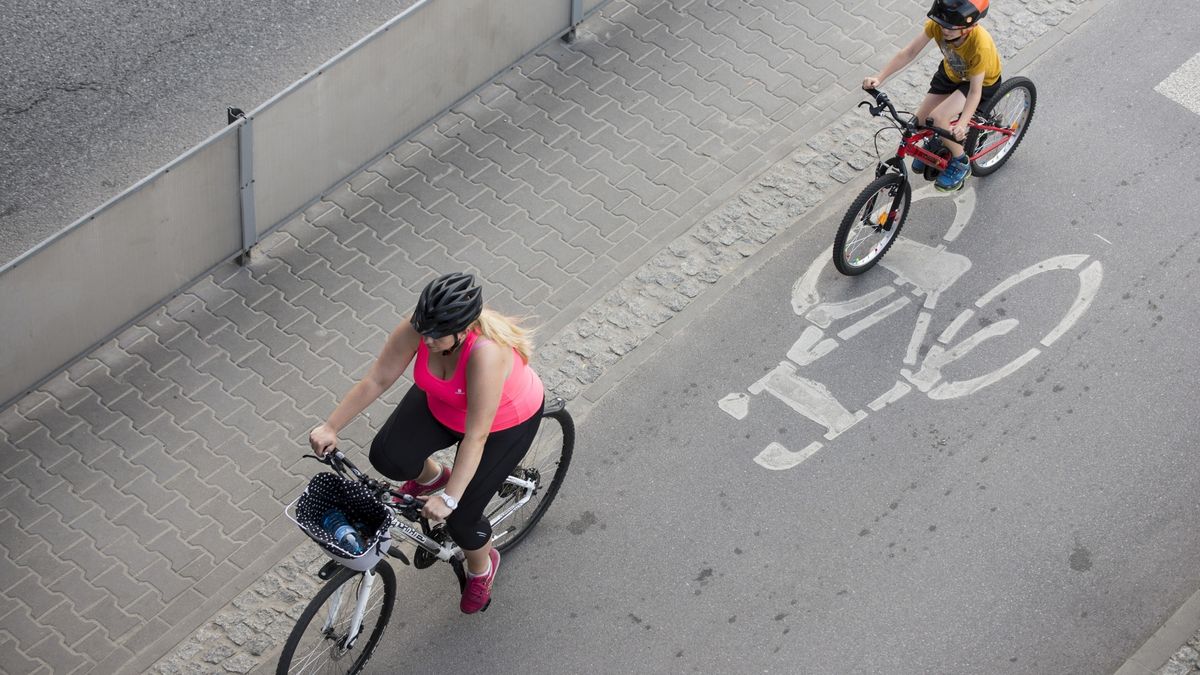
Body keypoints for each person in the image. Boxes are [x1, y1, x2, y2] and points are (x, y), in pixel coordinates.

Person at [308, 272, 545, 614]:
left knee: (462, 519)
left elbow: (476, 436)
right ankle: (433, 476)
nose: (427, 339)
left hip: (503, 422)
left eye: (436, 334)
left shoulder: (486, 354)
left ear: (463, 331)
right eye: (424, 328)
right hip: (445, 403)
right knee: (388, 457)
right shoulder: (420, 328)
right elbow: (378, 378)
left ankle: (482, 567)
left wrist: (450, 499)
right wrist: (331, 426)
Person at [862, 0, 1002, 192]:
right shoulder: (938, 25)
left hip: (978, 83)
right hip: (951, 73)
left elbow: (975, 92)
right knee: (919, 124)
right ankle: (938, 140)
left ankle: (961, 162)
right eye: (943, 24)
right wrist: (879, 77)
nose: (945, 30)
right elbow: (909, 52)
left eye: (952, 27)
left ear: (972, 25)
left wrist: (963, 124)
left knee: (938, 118)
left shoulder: (980, 45)